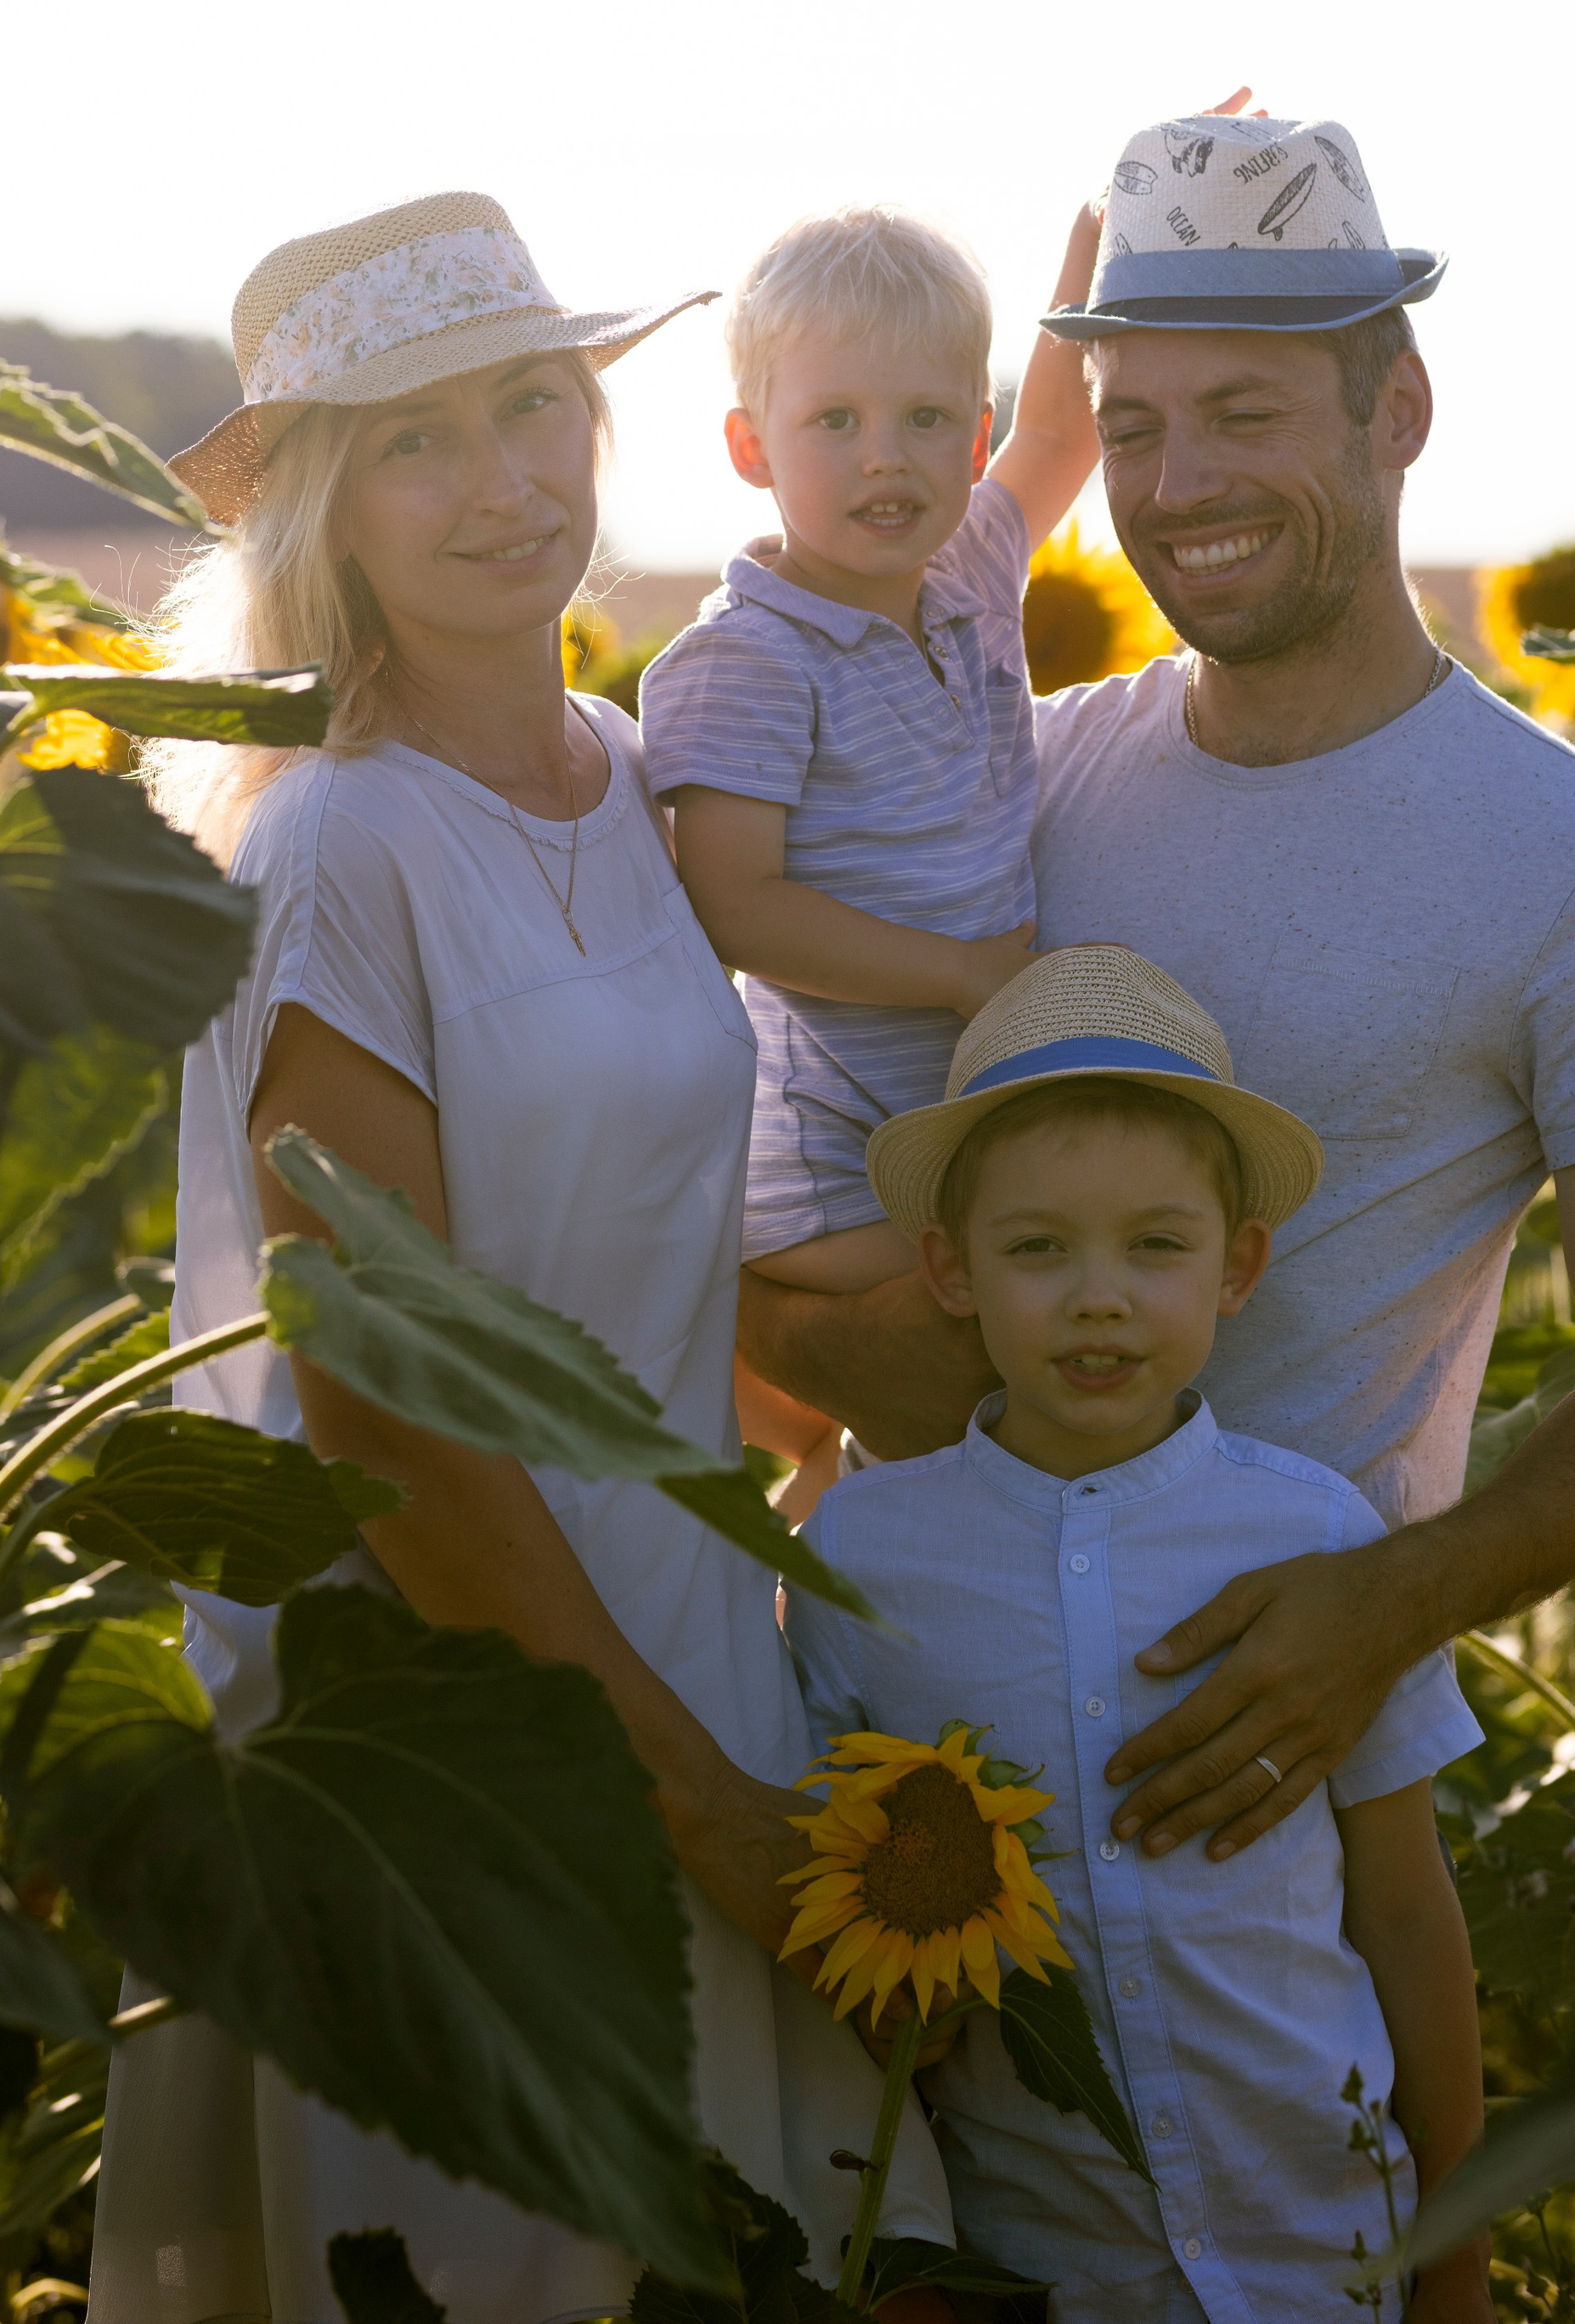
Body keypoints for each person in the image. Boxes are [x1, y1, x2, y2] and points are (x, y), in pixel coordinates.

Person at [88, 192, 951, 2324]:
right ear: (322, 502)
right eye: (416, 438)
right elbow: (393, 1411)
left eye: (532, 406)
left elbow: (651, 1248)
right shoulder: (330, 839)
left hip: (694, 1633)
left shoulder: (632, 779)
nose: (502, 481)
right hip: (462, 1726)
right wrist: (692, 1807)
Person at [742, 104, 1575, 1876]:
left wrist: (1376, 1610)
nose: (1175, 483)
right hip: (895, 1749)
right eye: (1128, 425)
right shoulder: (1009, 790)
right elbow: (758, 1186)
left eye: (1245, 413)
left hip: (1251, 1779)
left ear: (1398, 410)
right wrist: (839, 1357)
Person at [786, 945, 1490, 2324]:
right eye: (1038, 1247)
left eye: (1154, 1246)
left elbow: (1405, 1906)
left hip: (1325, 2246)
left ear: (1238, 1267)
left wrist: (1456, 2255)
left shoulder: (1322, 1541)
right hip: (1042, 2260)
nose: (1098, 1295)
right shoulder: (860, 1558)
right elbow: (834, 1928)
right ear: (950, 1267)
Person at [638, 199, 1101, 1499]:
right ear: (751, 445)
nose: (883, 459)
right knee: (969, 1360)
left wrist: (1094, 249)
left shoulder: (967, 573)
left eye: (925, 419)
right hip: (828, 1149)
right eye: (834, 421)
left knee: (980, 1397)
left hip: (948, 1116)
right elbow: (736, 903)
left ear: (978, 433)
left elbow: (1067, 427)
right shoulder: (748, 656)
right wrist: (957, 973)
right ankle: (816, 1573)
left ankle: (827, 1544)